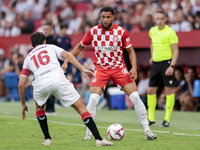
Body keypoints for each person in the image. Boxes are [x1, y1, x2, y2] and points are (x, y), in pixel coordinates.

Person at [62, 6, 157, 141]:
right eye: (103, 17)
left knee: (135, 97)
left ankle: (147, 131)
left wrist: (134, 67)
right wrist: (66, 61)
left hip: (119, 68)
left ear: (113, 17)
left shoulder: (121, 31)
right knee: (93, 99)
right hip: (101, 69)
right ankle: (89, 133)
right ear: (100, 17)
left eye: (108, 17)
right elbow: (79, 47)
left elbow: (131, 51)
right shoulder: (93, 31)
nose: (105, 20)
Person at [18, 32, 114, 146]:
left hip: (41, 83)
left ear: (32, 44)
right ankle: (98, 139)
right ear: (44, 41)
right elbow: (68, 55)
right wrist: (83, 69)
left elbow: (21, 84)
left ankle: (47, 139)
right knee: (81, 108)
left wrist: (23, 104)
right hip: (58, 79)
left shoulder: (28, 58)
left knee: (39, 108)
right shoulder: (51, 47)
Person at [147, 10, 179, 127]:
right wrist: (152, 56)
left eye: (161, 19)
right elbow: (151, 44)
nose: (159, 21)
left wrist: (172, 66)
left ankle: (166, 120)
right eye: (157, 19)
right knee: (150, 90)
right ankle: (150, 119)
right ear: (155, 19)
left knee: (168, 90)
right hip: (155, 63)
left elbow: (176, 51)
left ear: (165, 19)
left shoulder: (171, 32)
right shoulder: (152, 31)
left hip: (167, 63)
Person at [42, 22, 58, 114]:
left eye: (47, 29)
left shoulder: (53, 41)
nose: (45, 31)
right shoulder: (42, 40)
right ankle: (46, 107)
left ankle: (50, 107)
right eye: (44, 29)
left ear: (51, 30)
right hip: (44, 68)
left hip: (51, 67)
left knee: (50, 88)